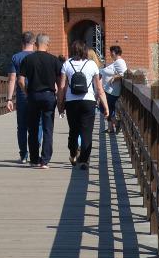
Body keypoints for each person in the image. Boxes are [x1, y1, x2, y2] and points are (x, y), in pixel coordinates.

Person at [18, 33, 63, 168]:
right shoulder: (54, 60)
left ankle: (33, 159)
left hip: (33, 95)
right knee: (48, 128)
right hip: (49, 96)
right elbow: (60, 82)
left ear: (36, 44)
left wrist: (27, 92)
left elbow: (20, 80)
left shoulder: (28, 59)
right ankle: (45, 160)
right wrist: (60, 99)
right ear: (47, 44)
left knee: (32, 128)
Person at [60, 40, 107, 168]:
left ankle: (73, 154)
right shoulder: (92, 64)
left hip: (71, 102)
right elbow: (99, 88)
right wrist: (106, 107)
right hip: (88, 101)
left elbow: (62, 87)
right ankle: (85, 160)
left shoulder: (66, 64)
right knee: (87, 132)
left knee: (73, 131)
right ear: (84, 51)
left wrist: (60, 105)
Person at [6, 31, 38, 162]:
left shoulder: (15, 57)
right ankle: (35, 151)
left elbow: (12, 79)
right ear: (34, 43)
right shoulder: (37, 56)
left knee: (22, 126)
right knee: (37, 125)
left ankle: (23, 154)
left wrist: (9, 98)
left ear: (22, 42)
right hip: (36, 94)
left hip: (21, 96)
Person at [101, 45, 127, 133]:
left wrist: (115, 77)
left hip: (112, 91)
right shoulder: (116, 62)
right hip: (109, 90)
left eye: (111, 52)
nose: (110, 54)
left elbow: (124, 73)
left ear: (114, 52)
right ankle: (110, 128)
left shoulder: (120, 62)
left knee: (103, 107)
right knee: (109, 108)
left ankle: (116, 123)